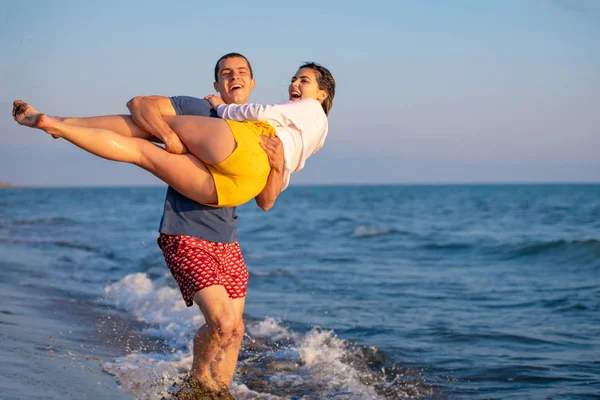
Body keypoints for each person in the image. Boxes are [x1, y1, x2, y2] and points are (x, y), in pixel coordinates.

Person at [13, 53, 284, 398]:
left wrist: (276, 166)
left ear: (252, 83)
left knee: (235, 331)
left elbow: (266, 202)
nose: (235, 78)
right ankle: (198, 383)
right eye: (226, 73)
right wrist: (167, 135)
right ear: (216, 85)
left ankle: (221, 391)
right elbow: (138, 110)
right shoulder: (198, 110)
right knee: (222, 323)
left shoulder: (262, 129)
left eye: (242, 72)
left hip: (228, 241)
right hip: (186, 234)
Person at [12, 62, 336, 209]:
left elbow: (262, 114)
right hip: (238, 188)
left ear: (322, 94)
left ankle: (59, 124)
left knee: (145, 129)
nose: (295, 84)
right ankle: (60, 127)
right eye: (294, 78)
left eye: (304, 80)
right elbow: (267, 202)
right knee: (141, 151)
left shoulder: (310, 109)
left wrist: (221, 108)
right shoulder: (309, 141)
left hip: (244, 144)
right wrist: (278, 167)